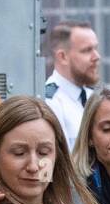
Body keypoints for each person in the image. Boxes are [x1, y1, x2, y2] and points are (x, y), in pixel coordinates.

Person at [43, 20, 100, 150]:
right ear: (63, 56)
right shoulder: (50, 102)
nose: (96, 56)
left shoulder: (92, 96)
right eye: (87, 50)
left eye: (95, 48)